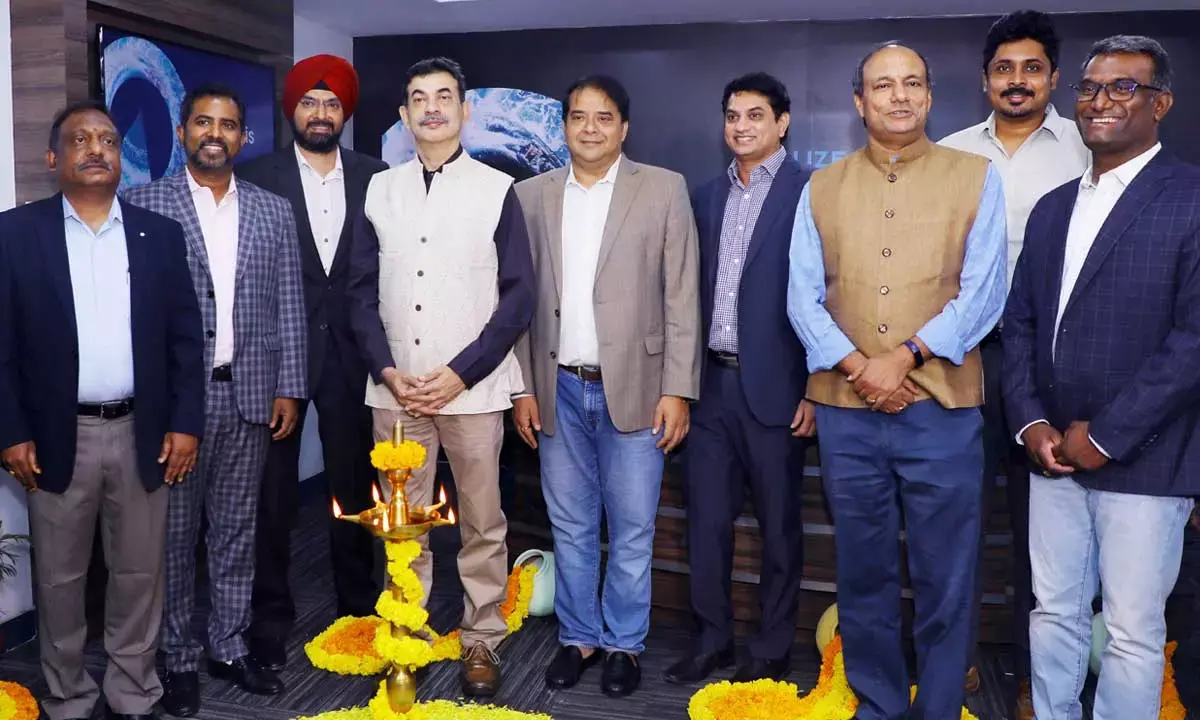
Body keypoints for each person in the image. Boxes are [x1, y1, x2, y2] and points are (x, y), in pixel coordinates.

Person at [787, 42, 1007, 720]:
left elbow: (985, 293)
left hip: (942, 414)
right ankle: (879, 705)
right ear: (860, 103)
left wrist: (905, 355)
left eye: (912, 83)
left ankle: (938, 708)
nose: (899, 96)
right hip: (848, 417)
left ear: (931, 96)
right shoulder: (820, 186)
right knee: (865, 576)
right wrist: (860, 369)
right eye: (883, 86)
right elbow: (801, 298)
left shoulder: (976, 176)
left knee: (947, 578)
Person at [1002, 35, 1200, 720]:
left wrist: (1109, 436)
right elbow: (1020, 323)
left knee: (1131, 634)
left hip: (1145, 463)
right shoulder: (1054, 206)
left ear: (1161, 103)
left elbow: (1192, 343)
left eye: (1123, 87)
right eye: (1089, 88)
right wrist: (1031, 423)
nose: (1099, 101)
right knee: (1051, 614)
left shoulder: (1191, 198)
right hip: (1051, 455)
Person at [0, 102, 204, 720]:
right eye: (80, 140)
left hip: (143, 431)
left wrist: (185, 422)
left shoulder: (159, 236)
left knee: (140, 574)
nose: (96, 149)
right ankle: (66, 695)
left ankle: (133, 690)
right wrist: (11, 431)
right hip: (57, 436)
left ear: (121, 157)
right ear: (53, 159)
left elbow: (184, 339)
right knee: (59, 580)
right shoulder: (14, 234)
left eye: (108, 140)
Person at [347, 56, 534, 698]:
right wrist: (389, 370)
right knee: (405, 522)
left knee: (483, 521)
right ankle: (408, 632)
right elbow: (357, 293)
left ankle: (482, 637)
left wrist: (459, 374)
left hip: (474, 391)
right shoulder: (378, 190)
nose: (431, 107)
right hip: (395, 392)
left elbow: (517, 299)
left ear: (464, 110)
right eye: (418, 97)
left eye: (444, 96)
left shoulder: (495, 189)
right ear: (403, 115)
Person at [512, 74, 702, 698]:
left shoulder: (663, 189)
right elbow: (516, 300)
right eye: (578, 117)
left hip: (640, 390)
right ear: (563, 126)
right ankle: (579, 636)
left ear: (624, 127)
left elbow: (681, 295)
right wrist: (522, 388)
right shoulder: (531, 195)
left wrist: (677, 388)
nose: (589, 128)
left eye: (603, 117)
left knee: (631, 530)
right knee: (568, 526)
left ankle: (624, 643)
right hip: (556, 386)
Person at [123, 83, 308, 716]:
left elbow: (289, 303)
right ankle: (176, 658)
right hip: (178, 404)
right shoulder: (142, 204)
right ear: (181, 134)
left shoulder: (271, 209)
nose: (215, 133)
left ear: (242, 137)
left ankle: (227, 647)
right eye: (202, 122)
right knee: (173, 538)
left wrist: (291, 385)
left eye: (227, 125)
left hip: (251, 397)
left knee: (236, 532)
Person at [937, 11, 1089, 715]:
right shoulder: (951, 151)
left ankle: (1039, 676)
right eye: (1004, 69)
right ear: (986, 79)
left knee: (1046, 537)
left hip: (1050, 368)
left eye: (1031, 68)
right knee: (955, 521)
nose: (1017, 80)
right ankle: (954, 659)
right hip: (966, 360)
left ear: (1053, 78)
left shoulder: (1087, 150)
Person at [236, 54, 388, 671]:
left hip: (353, 354)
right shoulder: (255, 176)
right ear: (291, 109)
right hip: (277, 354)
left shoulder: (377, 176)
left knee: (354, 486)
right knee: (271, 494)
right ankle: (269, 617)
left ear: (344, 114)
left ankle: (358, 610)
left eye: (331, 104)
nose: (320, 114)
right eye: (309, 102)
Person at [663, 72, 813, 687]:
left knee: (780, 527)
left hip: (780, 388)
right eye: (732, 115)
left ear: (782, 122)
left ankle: (774, 645)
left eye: (756, 115)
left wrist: (816, 387)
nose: (742, 126)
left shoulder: (813, 193)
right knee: (707, 523)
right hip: (710, 386)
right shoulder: (701, 197)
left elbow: (831, 294)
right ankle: (713, 639)